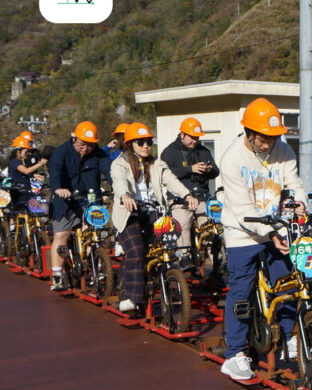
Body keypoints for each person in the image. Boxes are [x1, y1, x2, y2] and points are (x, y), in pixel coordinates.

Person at [218, 98, 305, 381]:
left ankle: (289, 337)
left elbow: (294, 184)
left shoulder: (284, 150)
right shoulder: (231, 159)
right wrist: (270, 233)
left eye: (273, 137)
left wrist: (300, 204)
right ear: (249, 133)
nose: (269, 143)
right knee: (241, 290)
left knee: (287, 282)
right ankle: (234, 355)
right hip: (241, 231)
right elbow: (243, 210)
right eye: (263, 138)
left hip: (276, 227)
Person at [110, 122, 198, 314]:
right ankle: (131, 297)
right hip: (129, 214)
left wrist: (187, 195)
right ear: (130, 144)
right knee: (136, 250)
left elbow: (171, 180)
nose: (145, 146)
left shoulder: (157, 164)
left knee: (167, 248)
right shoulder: (120, 163)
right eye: (140, 142)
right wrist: (125, 196)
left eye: (149, 142)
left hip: (153, 212)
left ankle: (169, 285)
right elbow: (119, 181)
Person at [48, 121, 111, 290]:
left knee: (97, 234)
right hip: (65, 200)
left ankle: (96, 267)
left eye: (90, 145)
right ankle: (57, 275)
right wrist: (58, 188)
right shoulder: (62, 152)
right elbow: (55, 170)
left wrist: (119, 190)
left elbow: (110, 172)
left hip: (90, 199)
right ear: (74, 138)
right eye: (82, 144)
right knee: (62, 235)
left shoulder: (99, 155)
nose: (85, 149)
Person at [159, 117, 220, 252]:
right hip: (179, 200)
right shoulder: (169, 152)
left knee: (210, 228)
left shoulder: (204, 151)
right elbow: (166, 176)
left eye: (197, 138)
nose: (195, 141)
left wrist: (210, 169)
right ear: (182, 135)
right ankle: (184, 257)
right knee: (182, 225)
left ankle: (212, 259)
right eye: (192, 137)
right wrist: (190, 169)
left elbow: (216, 172)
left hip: (202, 198)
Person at [8, 132, 47, 209]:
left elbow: (22, 174)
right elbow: (26, 171)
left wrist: (34, 175)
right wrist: (41, 163)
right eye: (26, 151)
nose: (28, 154)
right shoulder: (15, 161)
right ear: (19, 152)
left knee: (40, 210)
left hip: (26, 193)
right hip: (19, 194)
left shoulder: (19, 162)